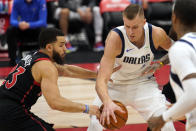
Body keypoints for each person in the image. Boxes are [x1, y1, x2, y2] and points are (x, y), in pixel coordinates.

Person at [87, 4, 176, 131]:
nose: (130, 32)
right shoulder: (115, 38)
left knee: (166, 124)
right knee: (96, 123)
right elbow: (101, 80)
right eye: (127, 26)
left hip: (143, 85)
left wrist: (161, 62)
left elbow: (179, 50)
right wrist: (106, 102)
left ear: (144, 22)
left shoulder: (156, 33)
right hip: (115, 86)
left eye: (135, 27)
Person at [0, 28, 101, 131]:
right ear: (49, 47)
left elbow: (67, 70)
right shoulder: (46, 67)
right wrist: (88, 108)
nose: (65, 49)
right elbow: (55, 103)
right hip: (10, 111)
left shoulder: (35, 56)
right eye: (61, 45)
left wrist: (98, 75)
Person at [147, 0, 196, 130]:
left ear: (174, 18)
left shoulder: (181, 47)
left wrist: (164, 117)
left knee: (160, 114)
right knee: (164, 100)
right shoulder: (180, 40)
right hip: (182, 78)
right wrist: (161, 63)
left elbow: (193, 94)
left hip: (188, 86)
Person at [6, 0, 47, 66]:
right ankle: (12, 60)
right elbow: (12, 20)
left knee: (43, 30)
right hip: (22, 29)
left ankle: (44, 58)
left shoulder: (41, 1)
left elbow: (43, 22)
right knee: (10, 30)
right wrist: (19, 24)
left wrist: (29, 25)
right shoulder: (17, 1)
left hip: (35, 29)